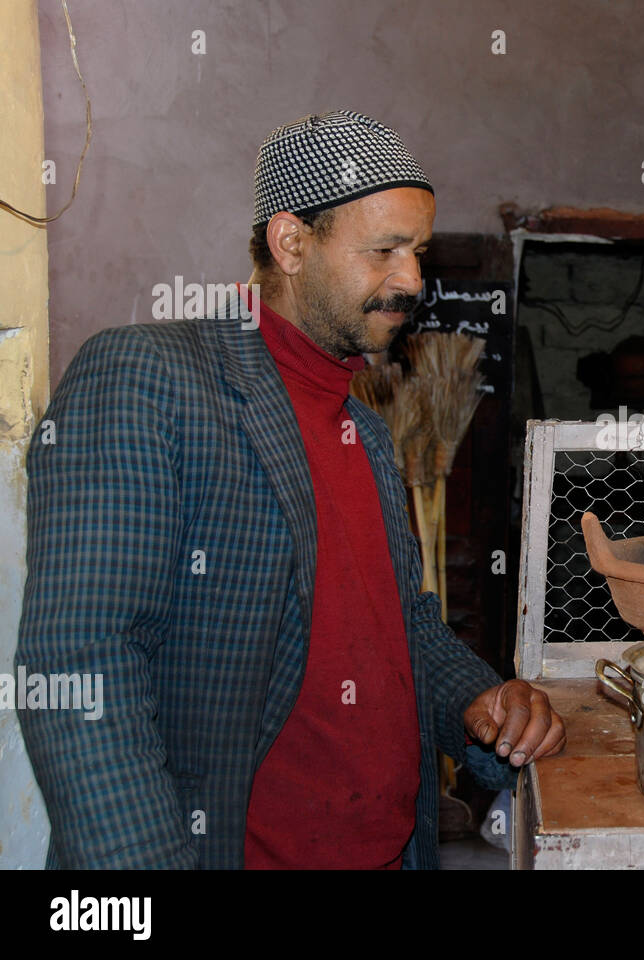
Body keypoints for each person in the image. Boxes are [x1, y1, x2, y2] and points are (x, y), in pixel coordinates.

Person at [17, 110, 564, 869]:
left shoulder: (365, 434)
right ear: (291, 242)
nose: (411, 281)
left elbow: (402, 624)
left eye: (418, 252)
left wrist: (479, 700)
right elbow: (83, 662)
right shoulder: (150, 379)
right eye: (384, 250)